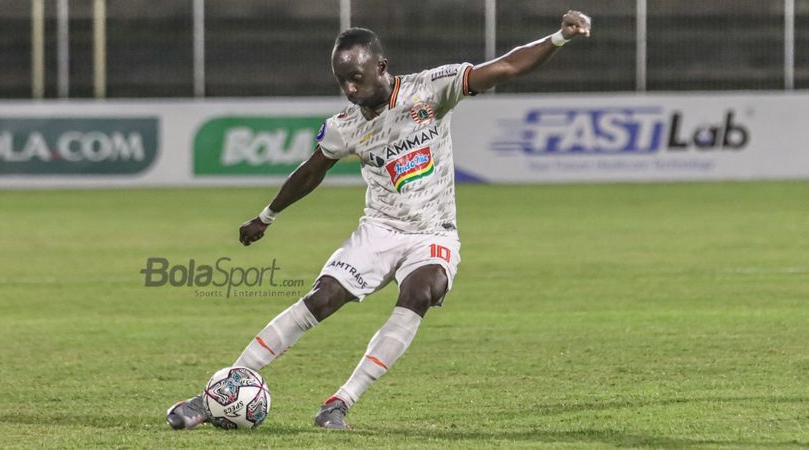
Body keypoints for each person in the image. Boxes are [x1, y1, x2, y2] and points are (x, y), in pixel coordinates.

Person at [167, 10, 592, 431]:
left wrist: (559, 37)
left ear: (381, 67)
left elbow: (505, 66)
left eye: (357, 78)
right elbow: (312, 170)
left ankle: (339, 403)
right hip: (379, 231)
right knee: (322, 299)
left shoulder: (430, 90)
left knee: (422, 291)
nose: (350, 88)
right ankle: (213, 398)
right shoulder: (345, 126)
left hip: (432, 233)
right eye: (342, 81)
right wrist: (267, 216)